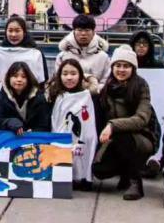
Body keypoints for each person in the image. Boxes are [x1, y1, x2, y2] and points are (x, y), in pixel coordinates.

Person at [93, 45, 156, 201]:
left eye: (126, 66)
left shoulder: (141, 86)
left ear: (133, 68)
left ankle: (136, 183)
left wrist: (113, 125)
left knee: (123, 136)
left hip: (142, 137)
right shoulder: (107, 88)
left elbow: (142, 119)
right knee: (100, 170)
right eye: (118, 65)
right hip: (114, 138)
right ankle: (126, 173)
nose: (121, 70)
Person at [48, 58, 95, 189]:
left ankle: (84, 177)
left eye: (73, 74)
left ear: (80, 75)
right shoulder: (56, 96)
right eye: (65, 74)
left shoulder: (87, 95)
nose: (69, 78)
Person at [0, 60, 52, 134]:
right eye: (15, 76)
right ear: (8, 78)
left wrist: (33, 132)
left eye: (23, 77)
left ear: (29, 79)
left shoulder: (40, 98)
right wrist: (9, 122)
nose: (19, 80)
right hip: (8, 139)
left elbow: (45, 124)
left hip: (34, 139)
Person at [56, 14, 110, 85]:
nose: (83, 33)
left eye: (87, 30)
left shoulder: (103, 57)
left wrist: (94, 90)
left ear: (93, 32)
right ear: (74, 31)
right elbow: (58, 80)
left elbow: (105, 82)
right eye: (79, 30)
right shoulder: (63, 56)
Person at [0, 15, 49, 81]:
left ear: (24, 32)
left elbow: (43, 78)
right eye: (10, 31)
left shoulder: (36, 53)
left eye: (17, 31)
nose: (13, 34)